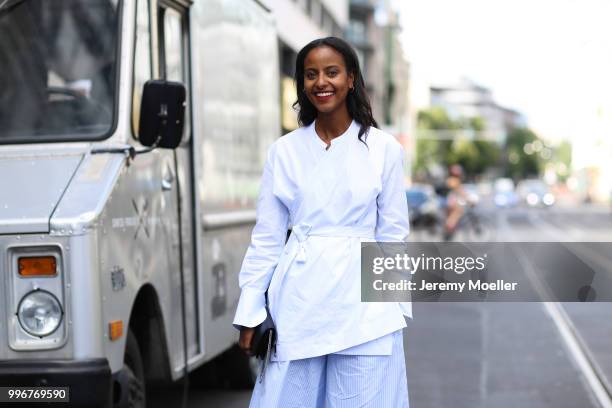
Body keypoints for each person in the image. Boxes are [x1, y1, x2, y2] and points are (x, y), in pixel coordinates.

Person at [233, 37, 411, 407]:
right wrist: (251, 309)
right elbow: (266, 239)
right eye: (310, 74)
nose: (320, 82)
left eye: (331, 72)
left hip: (367, 311)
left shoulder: (384, 149)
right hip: (299, 303)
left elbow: (393, 234)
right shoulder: (283, 151)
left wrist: (394, 309)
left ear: (351, 79)